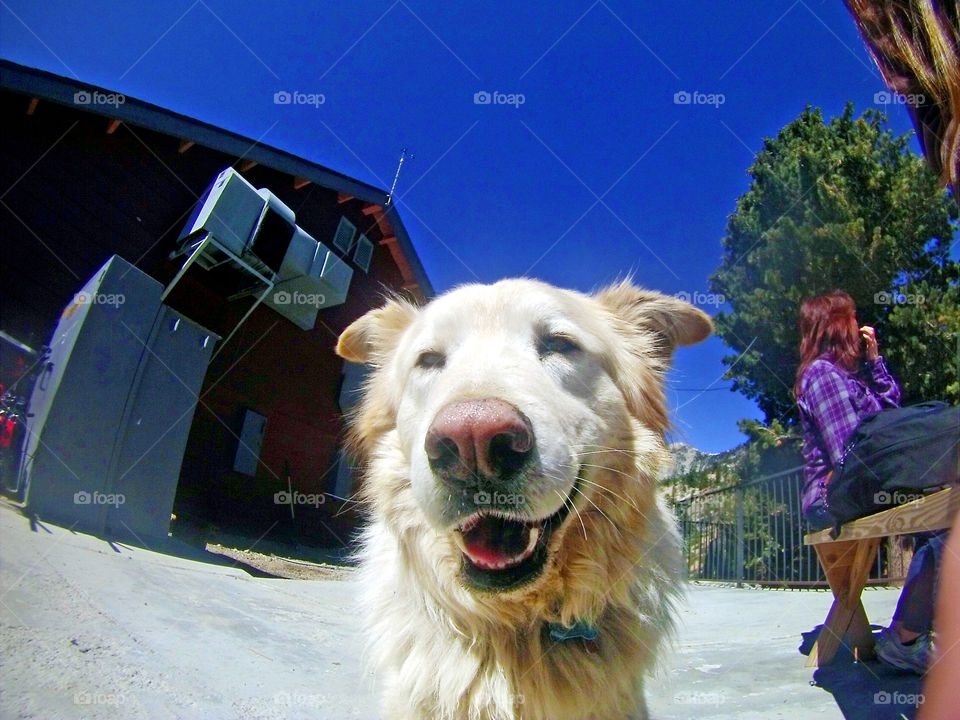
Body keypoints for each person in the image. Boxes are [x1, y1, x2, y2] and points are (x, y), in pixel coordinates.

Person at [794, 290, 940, 674]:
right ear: (837, 327)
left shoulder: (851, 379)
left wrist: (876, 365)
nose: (860, 328)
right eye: (852, 319)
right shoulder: (822, 375)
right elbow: (852, 455)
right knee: (945, 517)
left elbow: (892, 425)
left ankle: (914, 630)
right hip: (834, 494)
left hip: (860, 484)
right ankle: (908, 637)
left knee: (943, 514)